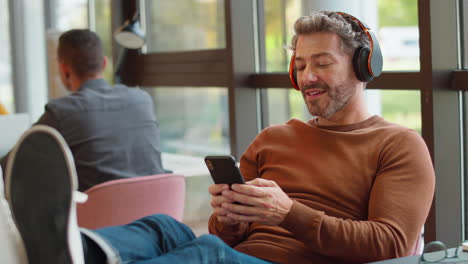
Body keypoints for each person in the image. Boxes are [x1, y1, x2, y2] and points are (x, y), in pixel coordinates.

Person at [2, 11, 434, 264]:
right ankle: (73, 251)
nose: (307, 78)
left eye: (321, 63)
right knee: (165, 227)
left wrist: (288, 213)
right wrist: (231, 219)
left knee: (205, 252)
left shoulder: (398, 145)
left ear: (362, 67)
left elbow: (392, 243)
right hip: (244, 255)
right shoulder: (274, 137)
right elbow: (223, 234)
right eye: (300, 65)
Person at [0, 29, 165, 191]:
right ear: (104, 63)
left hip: (99, 216)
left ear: (64, 69)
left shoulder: (62, 113)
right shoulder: (142, 100)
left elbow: (9, 167)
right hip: (157, 213)